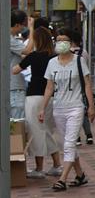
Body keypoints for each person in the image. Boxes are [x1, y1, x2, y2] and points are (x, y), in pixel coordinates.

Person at [38, 29, 95, 192]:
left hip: (75, 107)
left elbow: (87, 84)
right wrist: (43, 108)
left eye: (64, 40)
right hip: (58, 109)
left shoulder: (78, 61)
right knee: (67, 144)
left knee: (70, 143)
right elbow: (49, 87)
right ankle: (80, 175)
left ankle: (62, 179)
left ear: (70, 43)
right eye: (58, 39)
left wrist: (91, 106)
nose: (60, 42)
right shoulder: (52, 63)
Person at [15, 26, 62, 178]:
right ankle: (56, 165)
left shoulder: (33, 56)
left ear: (36, 40)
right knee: (46, 129)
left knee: (35, 131)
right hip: (51, 97)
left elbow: (15, 70)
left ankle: (39, 168)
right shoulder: (55, 57)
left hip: (34, 96)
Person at [67, 30, 93, 146]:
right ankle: (89, 135)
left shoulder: (68, 53)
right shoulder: (85, 52)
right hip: (83, 83)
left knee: (73, 112)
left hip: (72, 85)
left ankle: (76, 137)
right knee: (83, 111)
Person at [9, 10, 34, 120]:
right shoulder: (9, 39)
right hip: (14, 87)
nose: (22, 29)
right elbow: (28, 50)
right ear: (17, 25)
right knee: (17, 123)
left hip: (14, 86)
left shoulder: (11, 40)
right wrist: (32, 29)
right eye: (23, 26)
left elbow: (24, 56)